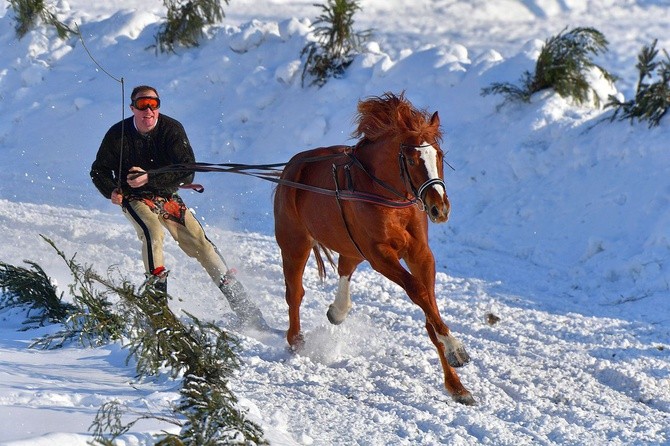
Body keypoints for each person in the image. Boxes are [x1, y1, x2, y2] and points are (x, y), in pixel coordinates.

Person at [90, 85, 267, 329]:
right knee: (153, 233)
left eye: (154, 104)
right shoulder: (117, 135)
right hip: (134, 197)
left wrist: (149, 178)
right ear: (132, 108)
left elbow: (187, 173)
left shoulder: (172, 130)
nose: (148, 111)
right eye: (142, 105)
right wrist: (111, 189)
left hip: (167, 196)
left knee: (202, 245)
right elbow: (98, 170)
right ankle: (157, 308)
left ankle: (246, 310)